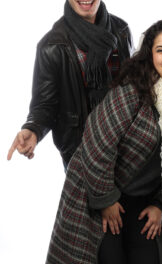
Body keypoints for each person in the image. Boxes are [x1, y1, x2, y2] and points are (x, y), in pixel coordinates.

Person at [41, 19, 162, 264]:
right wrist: (106, 200)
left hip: (142, 201)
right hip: (95, 194)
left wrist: (161, 205)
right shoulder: (133, 93)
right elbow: (95, 146)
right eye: (161, 50)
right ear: (150, 56)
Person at [7, 0, 133, 167]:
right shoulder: (51, 45)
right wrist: (33, 129)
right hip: (81, 153)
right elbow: (45, 104)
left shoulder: (121, 30)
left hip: (126, 145)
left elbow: (132, 87)